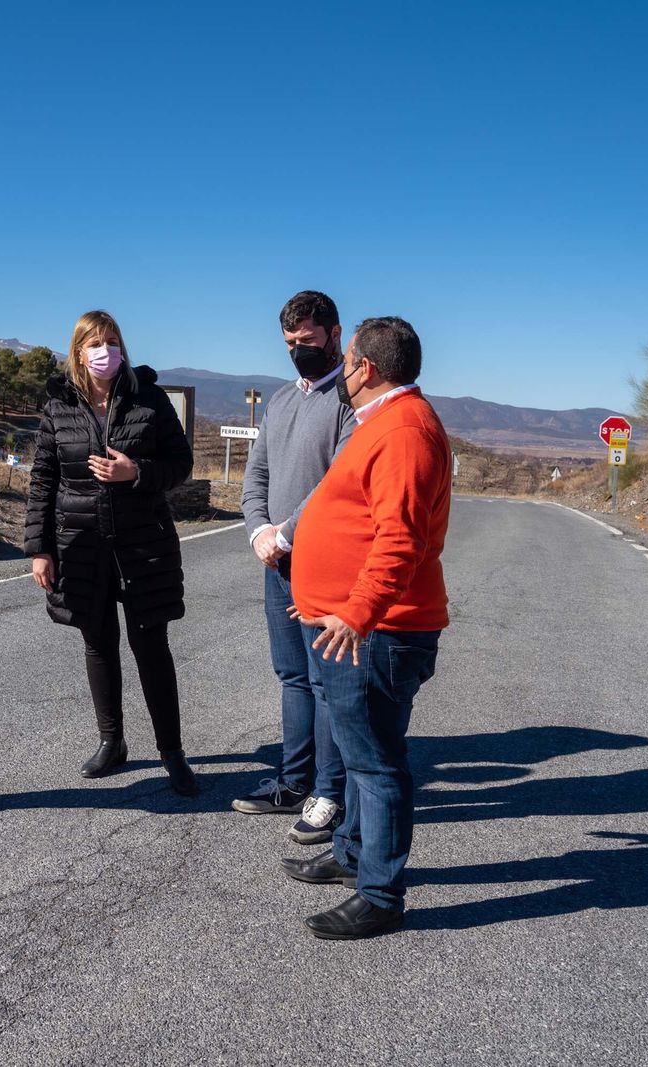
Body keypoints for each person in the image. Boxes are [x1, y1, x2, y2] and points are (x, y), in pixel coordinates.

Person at [279, 316, 452, 939]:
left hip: (377, 633)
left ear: (366, 369)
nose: (341, 372)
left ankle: (380, 894)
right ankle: (352, 855)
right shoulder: (381, 423)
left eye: (347, 361)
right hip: (346, 624)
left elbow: (400, 539)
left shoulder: (404, 432)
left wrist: (354, 612)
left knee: (377, 764)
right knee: (359, 755)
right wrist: (323, 596)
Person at [23, 310, 200, 795]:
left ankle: (172, 753)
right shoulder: (58, 405)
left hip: (144, 545)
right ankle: (112, 742)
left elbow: (179, 464)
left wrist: (136, 472)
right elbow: (43, 480)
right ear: (79, 351)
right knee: (98, 644)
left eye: (113, 341)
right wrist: (39, 548)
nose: (106, 351)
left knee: (152, 648)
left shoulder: (149, 398)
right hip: (80, 546)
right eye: (96, 343)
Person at [235, 290, 356, 846]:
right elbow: (255, 476)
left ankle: (328, 794)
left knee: (326, 682)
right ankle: (292, 780)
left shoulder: (351, 402)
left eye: (306, 341)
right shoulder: (282, 401)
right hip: (277, 563)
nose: (298, 351)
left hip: (327, 565)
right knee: (291, 678)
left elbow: (338, 484)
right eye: (289, 344)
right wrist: (260, 530)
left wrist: (285, 533)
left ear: (334, 334)